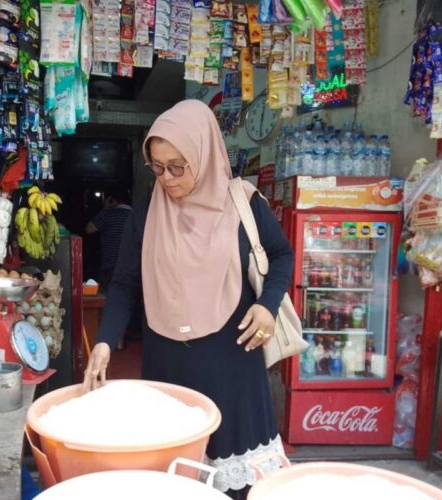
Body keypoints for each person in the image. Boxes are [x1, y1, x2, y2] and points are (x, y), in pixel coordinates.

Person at [82, 100, 294, 499]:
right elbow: (125, 283)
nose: (167, 177)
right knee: (177, 476)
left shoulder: (243, 204)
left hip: (232, 359)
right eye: (158, 167)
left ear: (205, 152)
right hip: (168, 363)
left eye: (178, 166)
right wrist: (106, 340)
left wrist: (266, 305)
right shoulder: (144, 216)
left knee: (237, 482)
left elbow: (282, 255)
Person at [85, 189, 132, 293]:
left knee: (108, 298)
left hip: (109, 266)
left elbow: (89, 229)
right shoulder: (136, 216)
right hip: (132, 267)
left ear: (112, 201)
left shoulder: (108, 215)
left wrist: (104, 209)